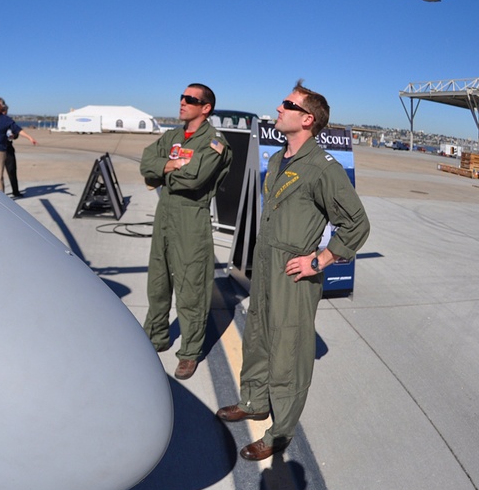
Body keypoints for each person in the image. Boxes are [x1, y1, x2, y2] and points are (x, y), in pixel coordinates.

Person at [216, 81, 370, 461]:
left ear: (308, 118)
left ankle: (280, 430)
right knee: (258, 334)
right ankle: (254, 401)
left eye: (287, 104)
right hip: (266, 263)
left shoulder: (322, 167)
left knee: (288, 350)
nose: (278, 108)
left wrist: (319, 260)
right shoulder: (276, 160)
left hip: (295, 271)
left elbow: (357, 224)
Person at [141, 83, 232, 380]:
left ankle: (190, 352)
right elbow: (146, 164)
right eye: (181, 97)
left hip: (191, 218)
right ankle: (155, 336)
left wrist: (163, 172)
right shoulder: (172, 136)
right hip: (165, 213)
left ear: (205, 108)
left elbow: (193, 179)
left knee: (192, 287)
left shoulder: (215, 142)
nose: (182, 102)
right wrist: (172, 164)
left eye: (190, 99)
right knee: (158, 280)